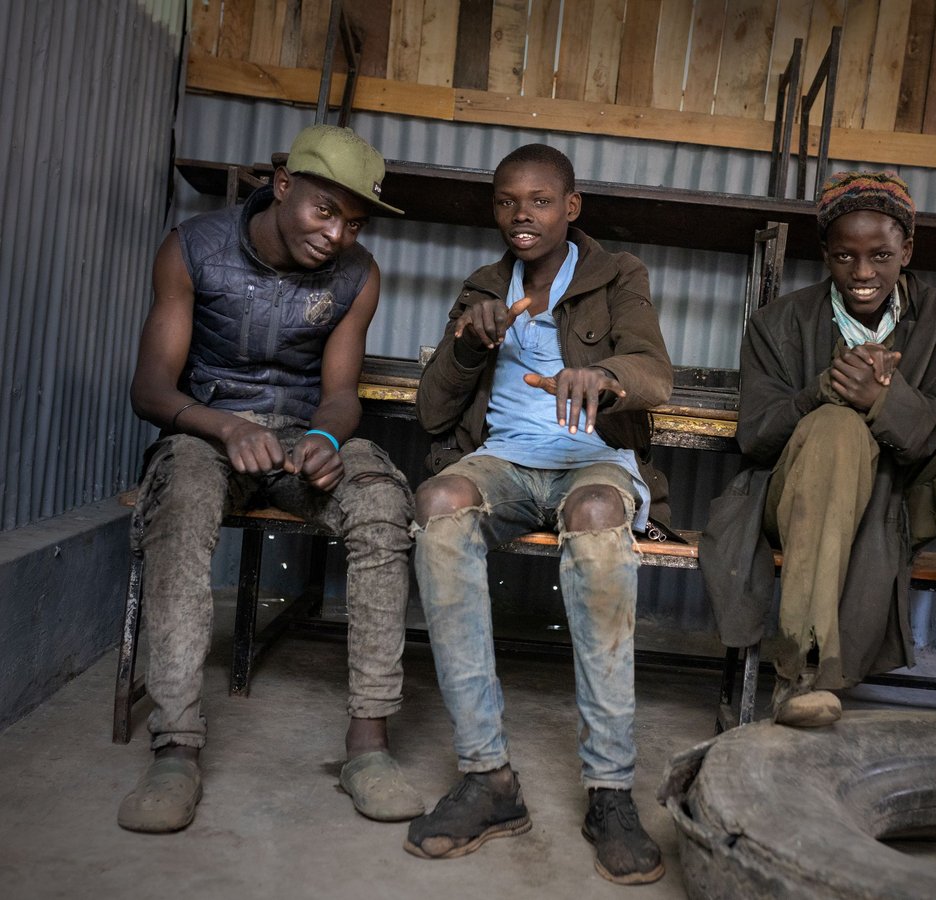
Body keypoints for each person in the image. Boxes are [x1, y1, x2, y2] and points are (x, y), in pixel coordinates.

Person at [701, 171, 936, 751]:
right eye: (845, 256)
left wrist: (885, 401)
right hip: (799, 495)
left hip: (899, 497)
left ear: (907, 250)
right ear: (825, 254)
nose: (863, 272)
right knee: (834, 428)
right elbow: (754, 437)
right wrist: (820, 393)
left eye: (880, 254)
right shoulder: (779, 324)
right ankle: (804, 676)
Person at [119, 125, 423, 833]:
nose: (338, 234)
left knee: (382, 503)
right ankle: (176, 748)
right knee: (185, 503)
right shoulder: (193, 248)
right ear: (283, 185)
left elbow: (343, 393)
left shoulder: (358, 274)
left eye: (354, 221)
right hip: (205, 431)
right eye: (326, 210)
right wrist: (225, 427)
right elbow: (149, 388)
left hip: (298, 436)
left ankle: (368, 746)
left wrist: (322, 437)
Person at [405, 144, 672, 885]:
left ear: (572, 206)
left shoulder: (618, 275)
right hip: (508, 459)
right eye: (506, 201)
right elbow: (433, 411)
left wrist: (605, 375)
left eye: (541, 201)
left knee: (594, 519)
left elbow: (656, 373)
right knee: (439, 503)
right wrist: (466, 340)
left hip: (593, 462)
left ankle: (611, 791)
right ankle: (488, 779)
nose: (522, 214)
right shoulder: (485, 287)